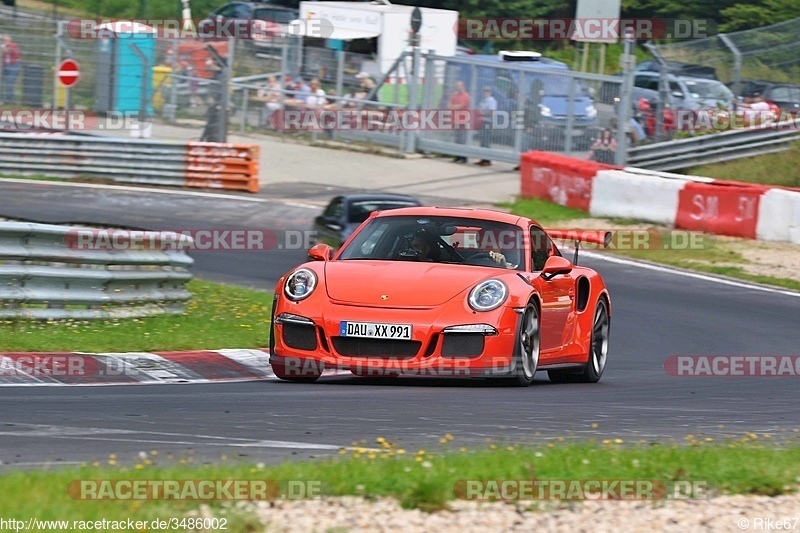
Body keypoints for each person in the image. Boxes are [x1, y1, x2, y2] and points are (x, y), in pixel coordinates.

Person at [448, 81, 470, 163]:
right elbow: (449, 106)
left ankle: (463, 157)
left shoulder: (466, 96)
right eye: (457, 86)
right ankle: (457, 156)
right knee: (457, 139)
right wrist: (455, 107)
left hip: (463, 121)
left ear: (463, 86)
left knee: (462, 139)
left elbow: (462, 106)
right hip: (456, 120)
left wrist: (455, 107)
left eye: (459, 86)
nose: (458, 88)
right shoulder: (454, 95)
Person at [475, 86, 497, 166]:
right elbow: (479, 110)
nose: (485, 92)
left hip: (487, 123)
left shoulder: (491, 101)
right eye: (484, 91)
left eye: (487, 91)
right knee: (482, 141)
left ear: (490, 92)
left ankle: (487, 160)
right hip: (482, 122)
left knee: (486, 141)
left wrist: (483, 113)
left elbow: (492, 113)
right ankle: (482, 158)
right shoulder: (483, 101)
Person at [1, 34, 21, 104]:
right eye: (3, 40)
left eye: (6, 39)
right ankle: (6, 99)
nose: (5, 41)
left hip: (14, 65)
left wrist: (3, 46)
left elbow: (8, 51)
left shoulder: (13, 45)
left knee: (10, 82)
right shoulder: (3, 46)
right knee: (5, 83)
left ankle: (9, 100)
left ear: (10, 39)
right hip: (5, 66)